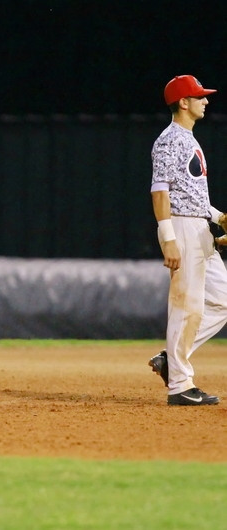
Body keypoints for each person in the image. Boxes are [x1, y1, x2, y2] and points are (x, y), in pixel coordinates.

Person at [149, 74, 224, 406]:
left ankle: (172, 358)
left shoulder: (189, 139)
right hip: (181, 228)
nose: (205, 101)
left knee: (221, 302)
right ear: (183, 102)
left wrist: (219, 216)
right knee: (186, 306)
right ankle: (179, 385)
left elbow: (189, 192)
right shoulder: (169, 140)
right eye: (199, 96)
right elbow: (160, 189)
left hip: (200, 228)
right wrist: (167, 237)